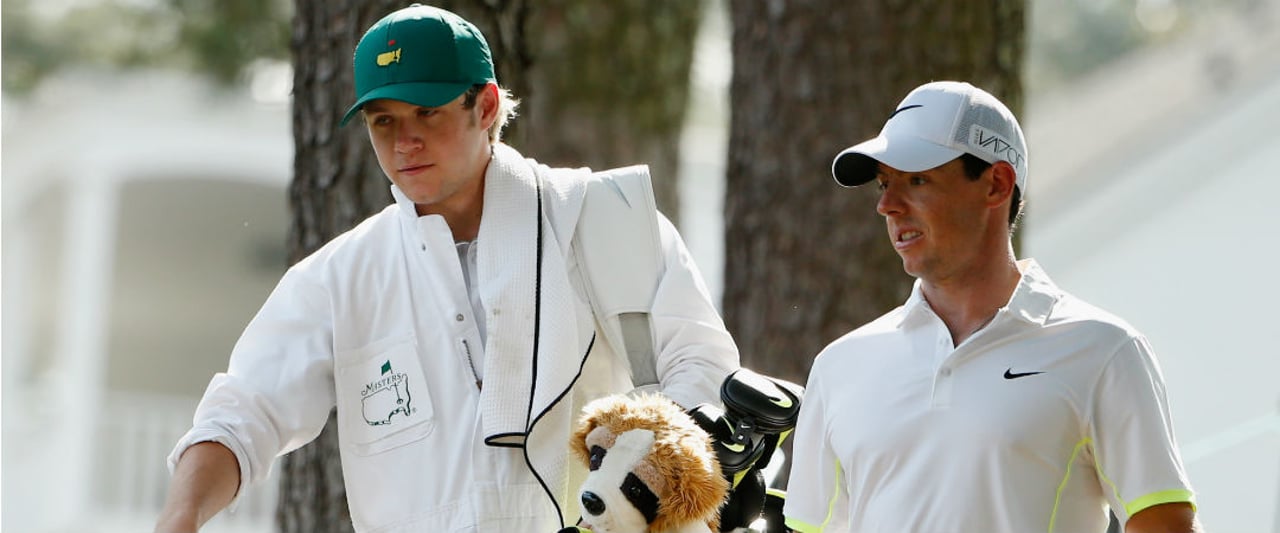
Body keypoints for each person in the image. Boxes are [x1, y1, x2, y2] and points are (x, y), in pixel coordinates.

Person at [153, 5, 739, 532]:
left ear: (485, 106)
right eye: (382, 120)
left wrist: (648, 477)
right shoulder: (339, 277)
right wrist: (181, 516)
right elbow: (244, 412)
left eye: (426, 112)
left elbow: (702, 366)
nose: (404, 140)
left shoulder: (602, 220)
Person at [783, 81, 1200, 533]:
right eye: (884, 184)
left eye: (917, 180)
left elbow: (1164, 525)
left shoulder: (1104, 351)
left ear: (997, 184)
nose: (887, 205)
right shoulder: (839, 366)